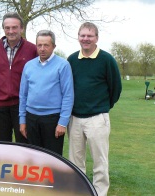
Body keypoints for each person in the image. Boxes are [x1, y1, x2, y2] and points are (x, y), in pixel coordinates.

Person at [67, 22, 122, 196]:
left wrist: (103, 107)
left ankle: (100, 192)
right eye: (82, 35)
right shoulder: (72, 59)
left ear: (96, 38)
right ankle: (78, 191)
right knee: (75, 161)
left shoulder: (107, 59)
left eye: (90, 36)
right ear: (78, 37)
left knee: (100, 160)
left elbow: (116, 88)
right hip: (74, 118)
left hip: (97, 118)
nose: (86, 39)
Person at [19, 30, 74, 155]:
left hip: (53, 119)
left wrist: (62, 123)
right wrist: (22, 120)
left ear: (54, 46)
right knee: (34, 157)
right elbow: (23, 95)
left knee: (52, 158)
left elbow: (68, 95)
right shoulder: (29, 65)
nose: (42, 49)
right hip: (31, 117)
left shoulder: (63, 65)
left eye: (46, 45)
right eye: (39, 45)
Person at [0, 12, 37, 143]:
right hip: (0, 105)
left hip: (22, 106)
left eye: (14, 27)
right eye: (7, 28)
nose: (11, 31)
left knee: (24, 145)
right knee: (2, 145)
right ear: (3, 29)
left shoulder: (32, 49)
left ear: (22, 28)